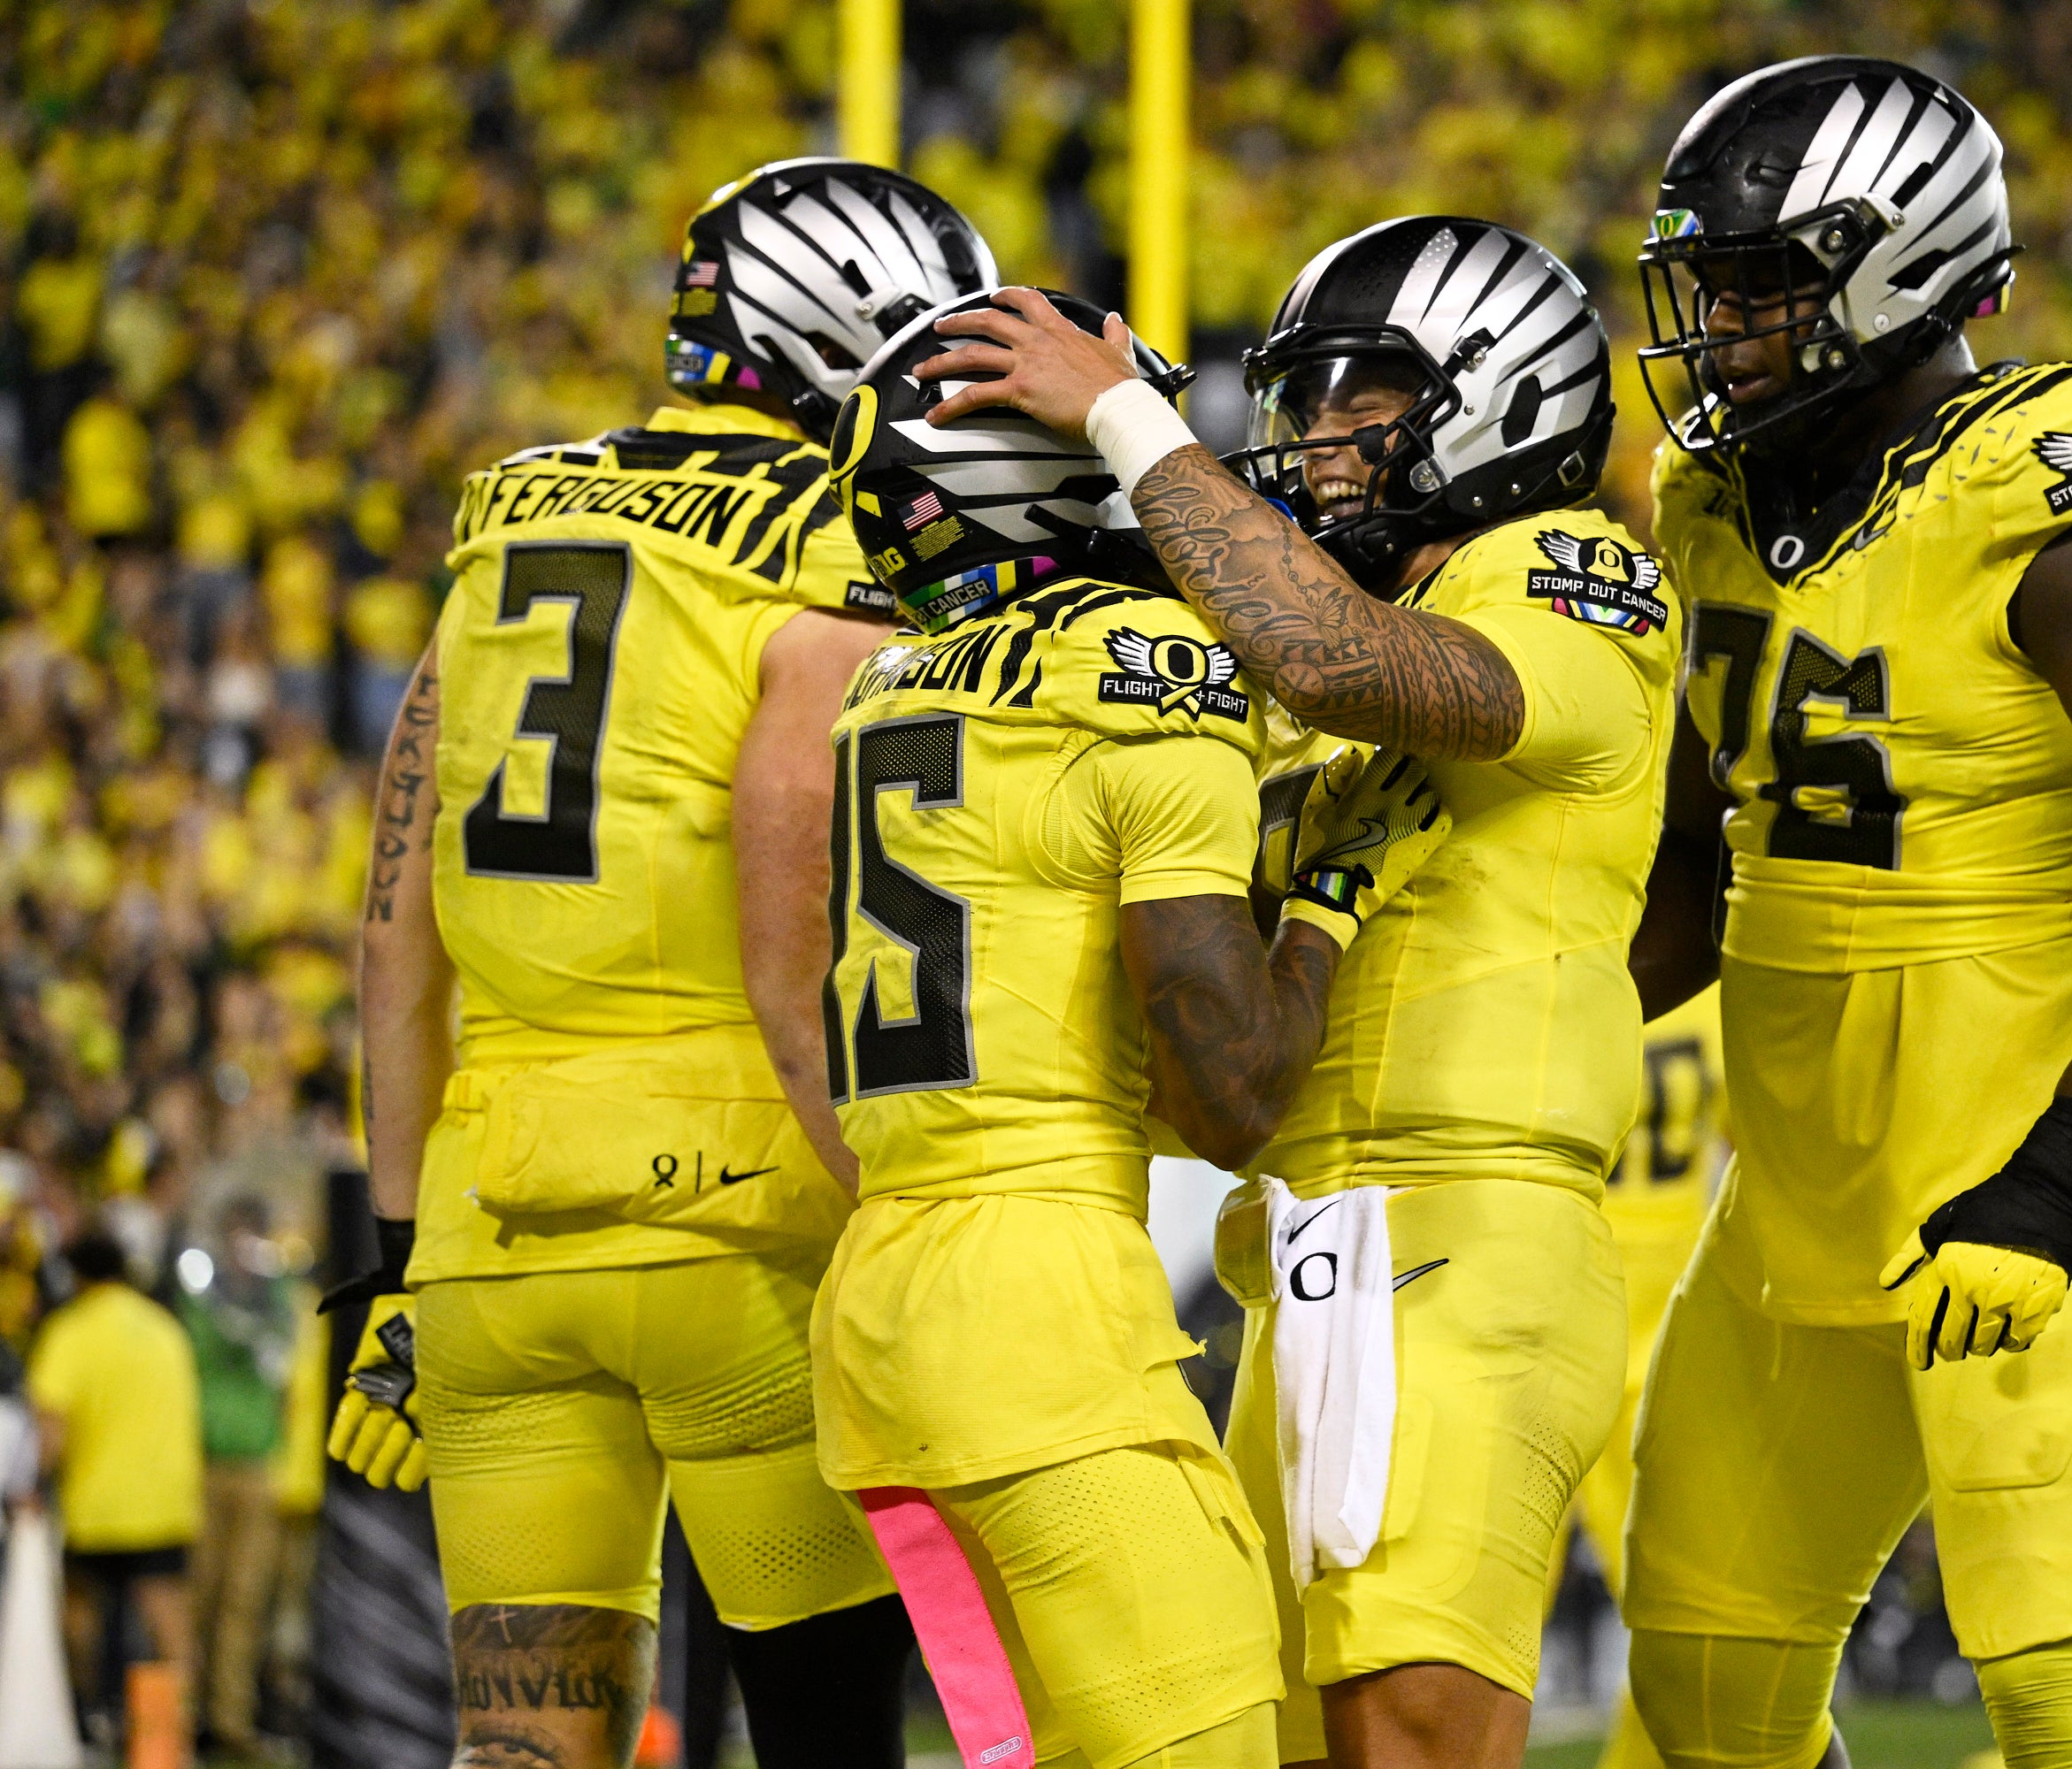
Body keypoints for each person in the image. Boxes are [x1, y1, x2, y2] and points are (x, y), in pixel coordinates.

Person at [918, 215, 1680, 1769]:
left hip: (1463, 1234)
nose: (1319, 442)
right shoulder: (1311, 646)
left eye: (1363, 402)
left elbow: (1342, 662)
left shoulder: (1564, 571)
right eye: (1305, 403)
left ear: (1502, 400)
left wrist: (1128, 424)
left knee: (1404, 1739)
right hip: (1309, 1250)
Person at [1618, 57, 2072, 1769]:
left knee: (2070, 1711)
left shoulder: (2041, 500)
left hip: (2039, 1157)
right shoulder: (1719, 511)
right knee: (1705, 1683)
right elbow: (1699, 860)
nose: (1725, 328)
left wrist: (2063, 1175)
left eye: (1766, 285)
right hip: (1799, 1180)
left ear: (1900, 269)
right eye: (1714, 286)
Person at [326, 157, 994, 1769]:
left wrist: (399, 1248)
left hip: (492, 1227)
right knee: (829, 1741)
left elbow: (394, 931)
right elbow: (799, 941)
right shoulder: (843, 541)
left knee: (521, 1753)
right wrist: (917, 1216)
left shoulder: (504, 525)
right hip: (745, 1214)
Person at [810, 290, 1449, 1769]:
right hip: (1037, 1309)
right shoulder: (1139, 662)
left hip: (882, 1307)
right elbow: (1232, 1097)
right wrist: (1331, 900)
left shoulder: (881, 686)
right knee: (1209, 1737)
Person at [1578, 986, 1727, 1769]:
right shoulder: (1712, 993)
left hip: (1655, 1349)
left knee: (1694, 1622)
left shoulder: (1713, 989)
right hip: (1530, 1332)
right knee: (1459, 1630)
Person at [28, 1228, 202, 1749]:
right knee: (169, 1626)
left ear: (77, 1276)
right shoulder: (165, 1328)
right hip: (164, 1502)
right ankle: (170, 1739)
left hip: (96, 1504)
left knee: (80, 1614)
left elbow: (51, 1427)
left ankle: (89, 1720)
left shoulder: (70, 1331)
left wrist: (34, 1484)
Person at [179, 1192, 297, 1758]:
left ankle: (230, 1721)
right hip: (203, 1463)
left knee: (244, 1602)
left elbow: (284, 1364)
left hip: (257, 1465)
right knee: (197, 1597)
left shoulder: (278, 1299)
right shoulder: (203, 1297)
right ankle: (186, 1716)